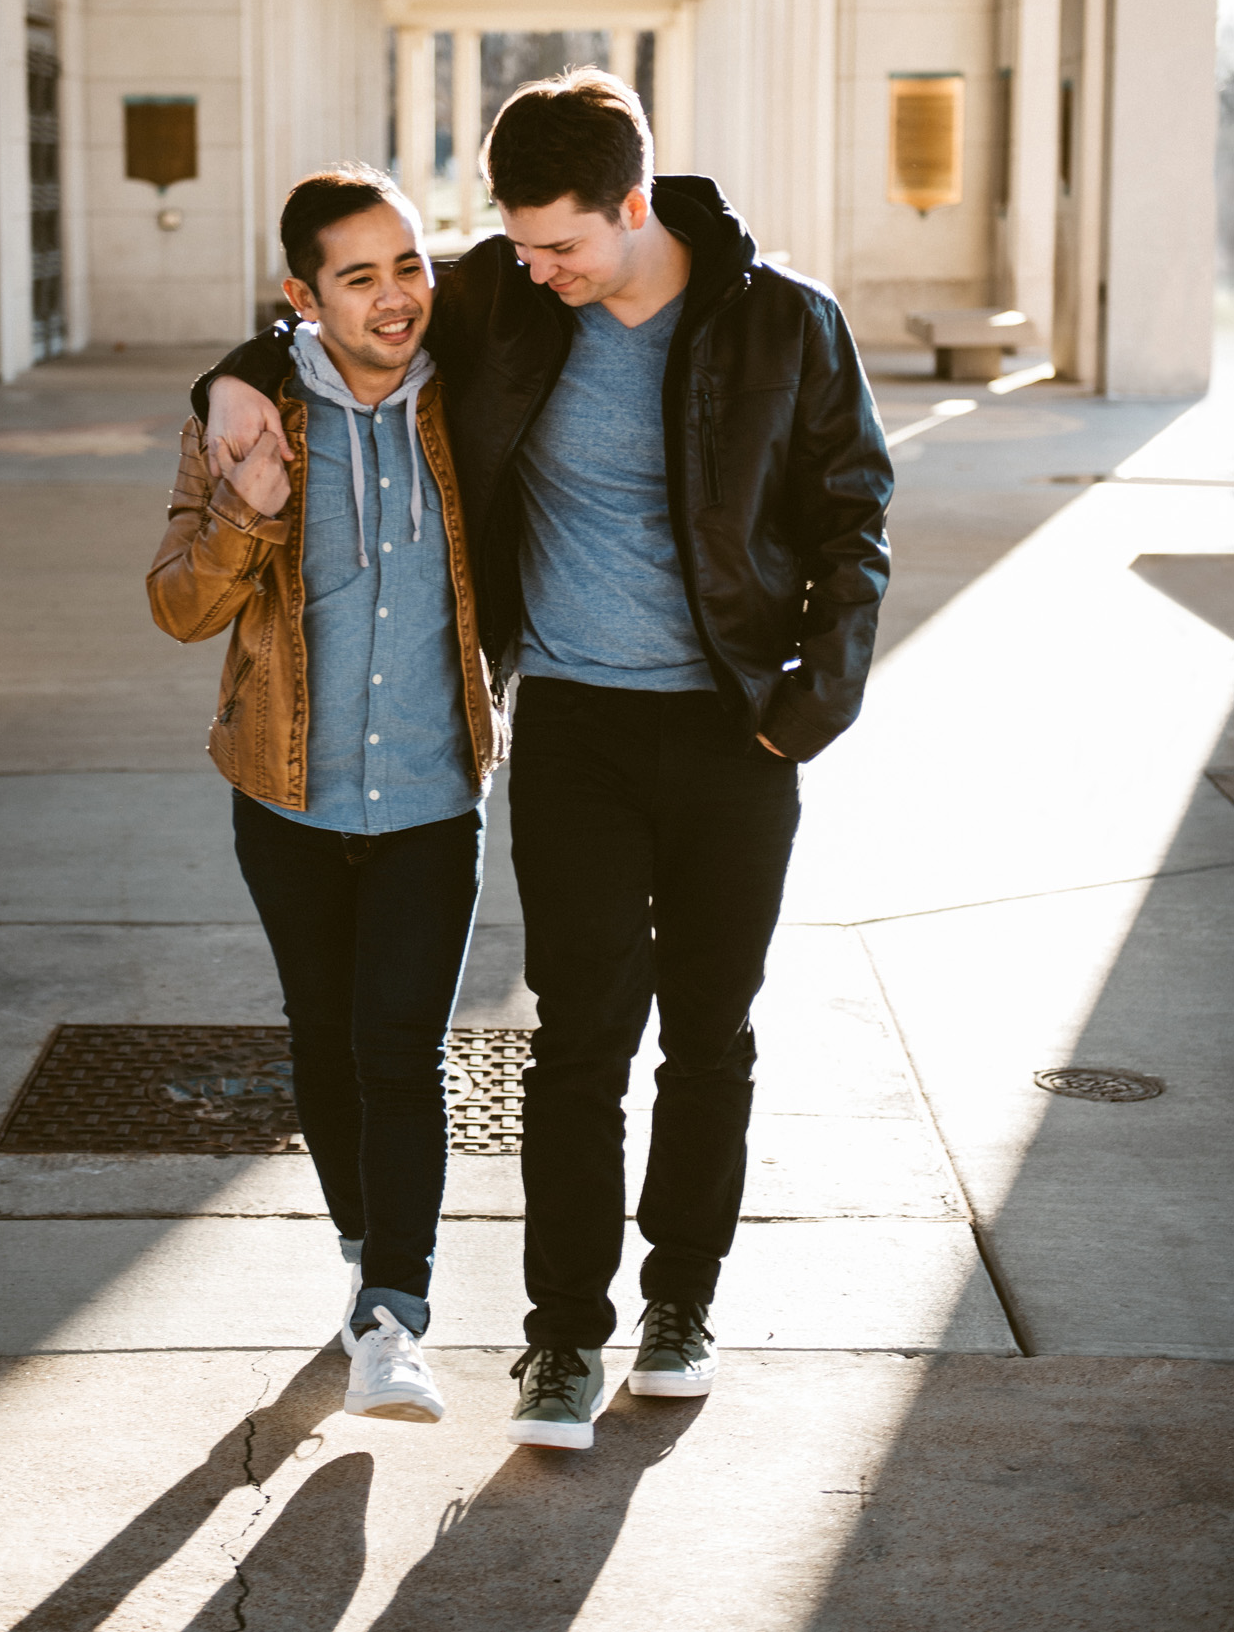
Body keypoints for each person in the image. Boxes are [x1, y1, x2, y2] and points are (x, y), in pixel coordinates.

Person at [197, 73, 893, 1451]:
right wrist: (224, 376)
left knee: (710, 1034)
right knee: (575, 1041)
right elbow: (340, 322)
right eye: (515, 245)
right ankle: (561, 1338)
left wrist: (811, 700)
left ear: (632, 206)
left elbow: (851, 513)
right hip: (571, 726)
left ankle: (679, 1305)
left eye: (560, 244)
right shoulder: (512, 299)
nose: (531, 269)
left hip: (734, 733)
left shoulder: (782, 323)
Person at [148, 166, 503, 1427]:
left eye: (409, 263)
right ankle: (365, 1255)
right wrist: (246, 506)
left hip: (427, 793)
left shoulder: (470, 392)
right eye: (359, 275)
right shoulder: (248, 420)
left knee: (401, 1049)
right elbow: (179, 605)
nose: (398, 295)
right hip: (285, 798)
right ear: (302, 296)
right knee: (324, 1036)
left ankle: (394, 1314)